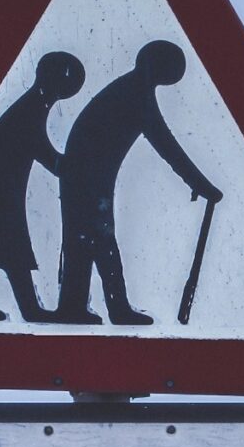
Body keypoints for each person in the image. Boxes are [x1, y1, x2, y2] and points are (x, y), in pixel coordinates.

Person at [55, 40, 222, 325]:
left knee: (84, 241)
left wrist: (200, 184)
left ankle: (74, 305)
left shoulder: (130, 89)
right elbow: (166, 145)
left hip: (86, 176)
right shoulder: (136, 95)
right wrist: (202, 185)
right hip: (88, 178)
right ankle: (112, 309)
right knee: (98, 241)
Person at [0, 51, 85, 321]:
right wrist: (74, 165)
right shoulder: (31, 109)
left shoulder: (32, 105)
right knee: (6, 246)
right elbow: (42, 150)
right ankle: (26, 309)